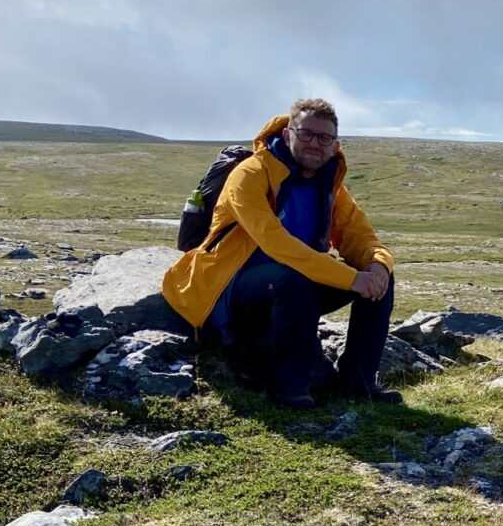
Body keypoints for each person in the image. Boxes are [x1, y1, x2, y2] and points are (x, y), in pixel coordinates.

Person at [162, 97, 400, 408]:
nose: (315, 143)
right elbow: (275, 242)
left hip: (290, 287)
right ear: (288, 134)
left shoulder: (331, 188)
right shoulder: (250, 174)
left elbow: (360, 237)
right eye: (306, 134)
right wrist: (351, 278)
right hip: (233, 288)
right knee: (295, 281)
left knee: (379, 282)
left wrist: (377, 266)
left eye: (324, 137)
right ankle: (290, 388)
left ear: (334, 145)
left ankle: (358, 381)